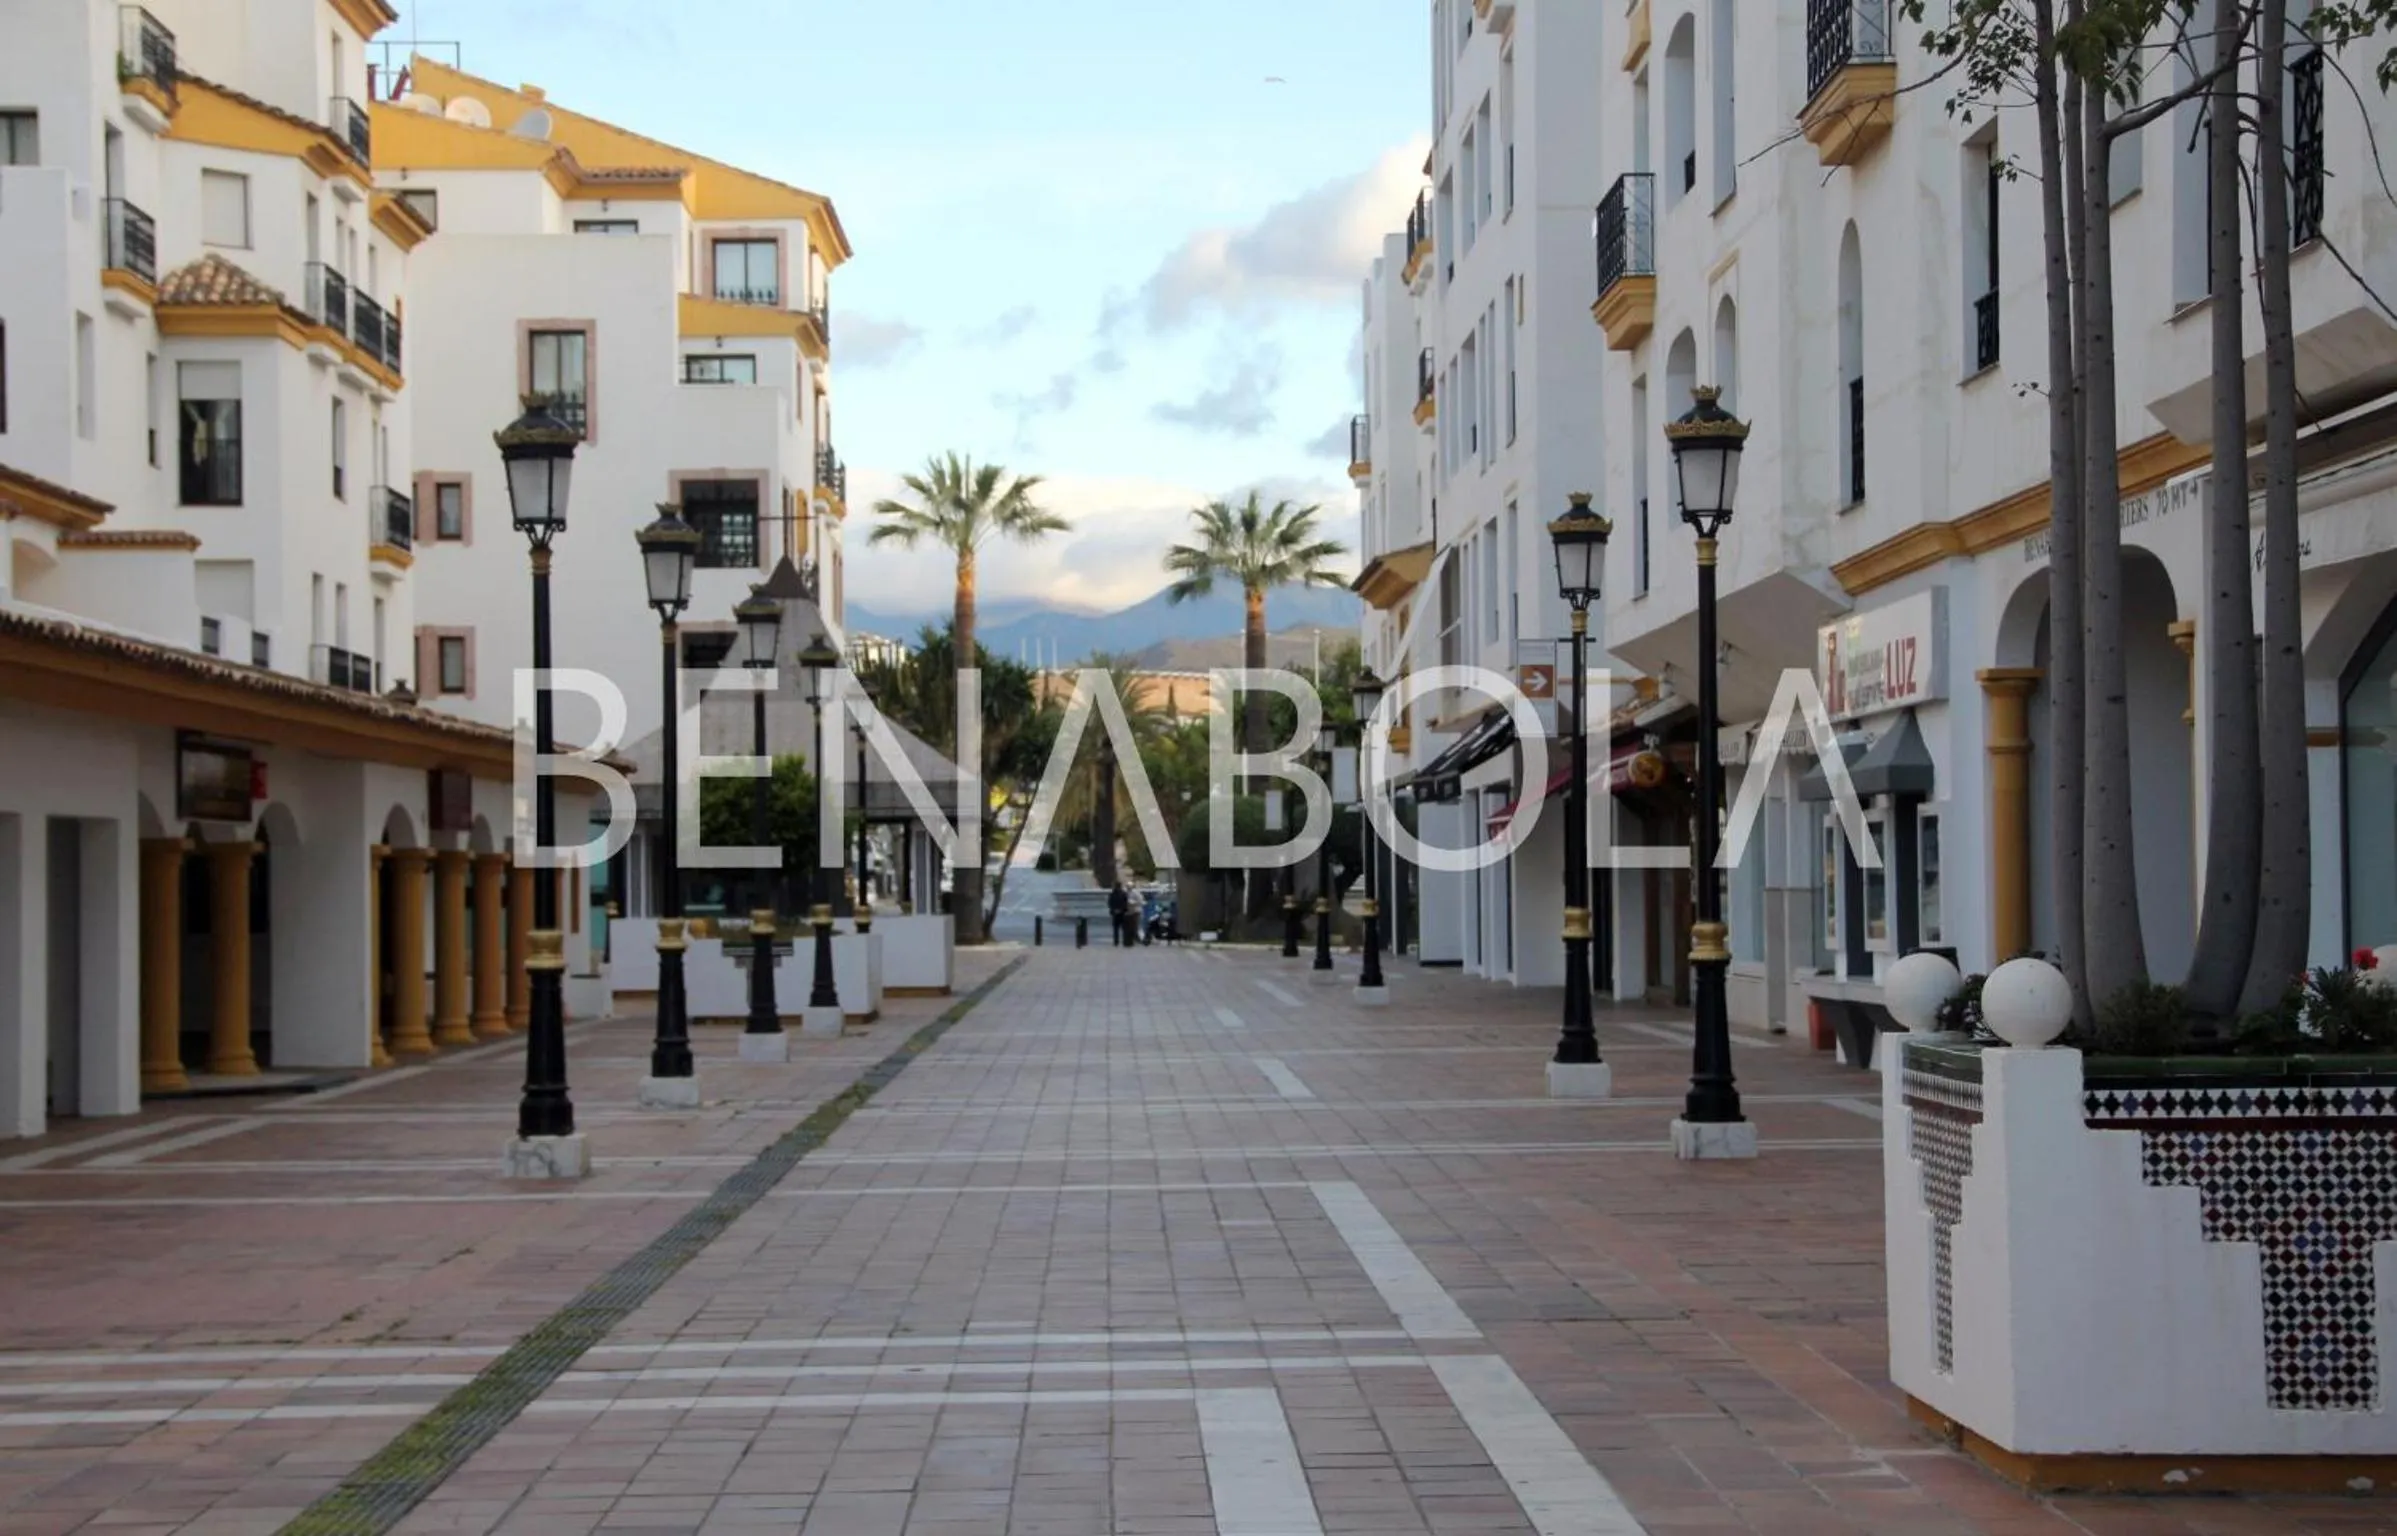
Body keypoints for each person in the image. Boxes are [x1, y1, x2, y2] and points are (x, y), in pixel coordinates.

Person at [1107, 881, 1130, 948]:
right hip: (1122, 913)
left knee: (1115, 928)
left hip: (1115, 912)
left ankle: (1116, 942)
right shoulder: (1124, 894)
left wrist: (1114, 909)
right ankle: (1125, 941)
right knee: (1124, 928)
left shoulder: (1112, 894)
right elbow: (1126, 903)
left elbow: (1110, 903)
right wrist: (1122, 909)